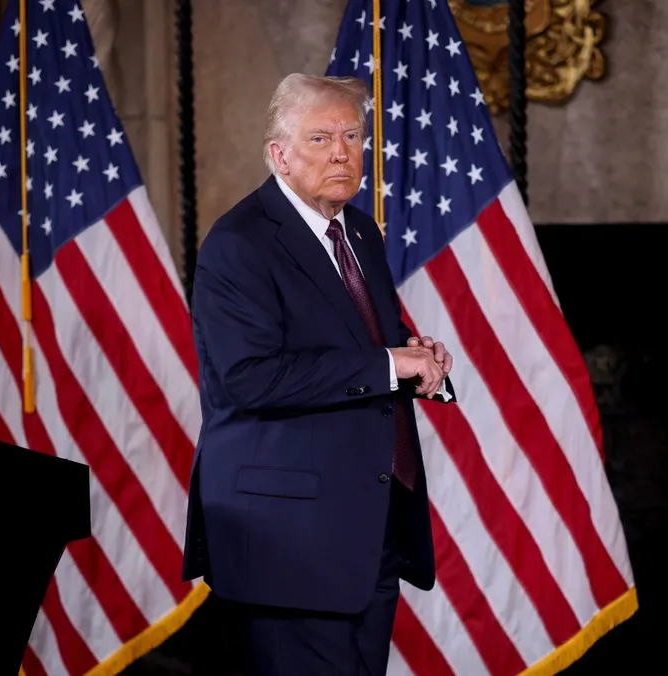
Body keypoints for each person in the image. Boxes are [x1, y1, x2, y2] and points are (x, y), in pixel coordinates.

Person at [182, 73, 456, 675]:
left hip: (369, 523)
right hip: (289, 540)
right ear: (279, 154)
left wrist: (418, 357)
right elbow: (248, 379)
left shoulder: (359, 231)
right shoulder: (239, 243)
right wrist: (389, 363)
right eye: (320, 138)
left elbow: (368, 344)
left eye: (353, 136)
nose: (341, 153)